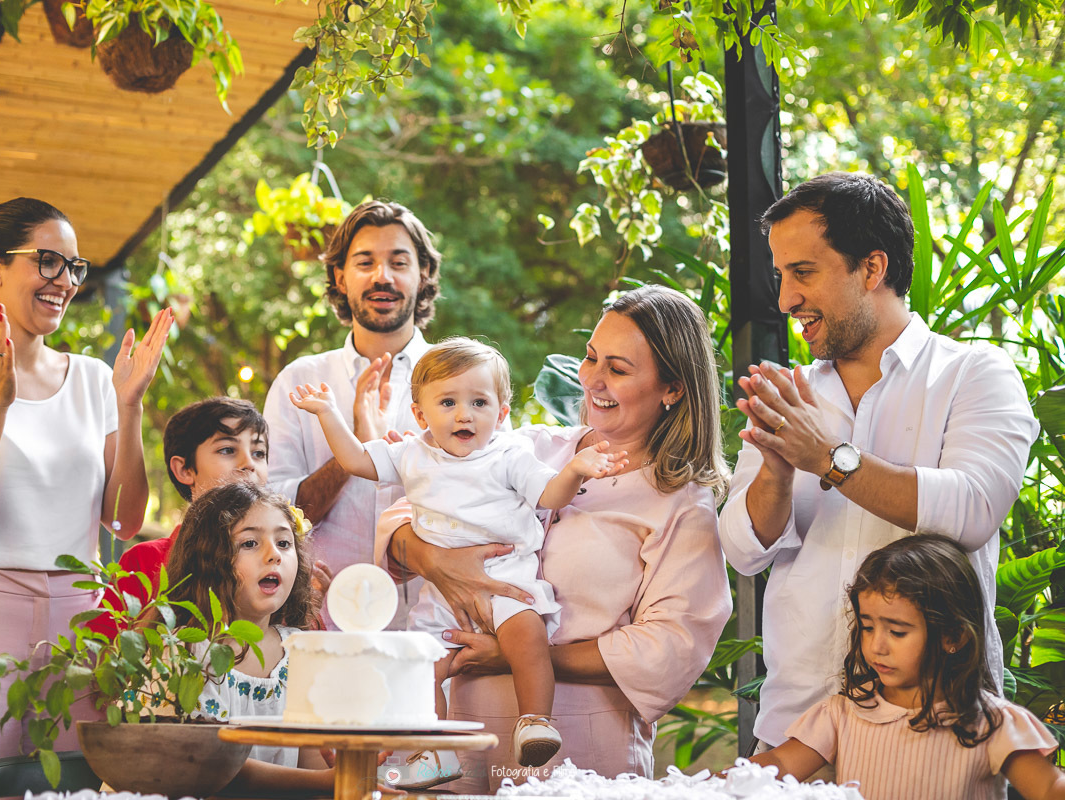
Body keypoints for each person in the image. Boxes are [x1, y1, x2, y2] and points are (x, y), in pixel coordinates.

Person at [717, 172, 1039, 751]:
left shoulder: (976, 375)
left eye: (803, 273)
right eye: (781, 275)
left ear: (872, 268)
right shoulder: (789, 394)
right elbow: (743, 551)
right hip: (793, 726)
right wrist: (777, 470)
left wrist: (827, 457)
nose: (786, 299)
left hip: (939, 732)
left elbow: (970, 511)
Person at [376, 285, 733, 790]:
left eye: (619, 368)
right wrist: (432, 558)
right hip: (464, 728)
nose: (592, 380)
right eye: (591, 357)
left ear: (672, 387)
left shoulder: (680, 501)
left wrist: (524, 654)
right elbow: (403, 512)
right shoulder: (529, 446)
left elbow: (673, 642)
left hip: (586, 740)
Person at [0, 197, 172, 800]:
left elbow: (125, 521)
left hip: (80, 623)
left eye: (75, 267)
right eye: (48, 261)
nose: (65, 281)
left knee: (81, 792)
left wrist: (130, 408)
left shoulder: (97, 380)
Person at [290, 337, 628, 769]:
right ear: (420, 414)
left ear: (502, 413)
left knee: (527, 640)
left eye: (479, 402)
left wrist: (576, 470)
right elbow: (356, 460)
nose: (464, 413)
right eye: (447, 402)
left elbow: (550, 494)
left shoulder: (509, 455)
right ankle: (431, 749)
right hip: (442, 598)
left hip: (507, 583)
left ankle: (535, 722)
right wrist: (329, 413)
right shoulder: (412, 454)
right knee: (422, 667)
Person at [750, 534, 1063, 800]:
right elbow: (780, 761)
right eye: (867, 627)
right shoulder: (843, 714)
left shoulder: (991, 723)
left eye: (897, 631)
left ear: (953, 636)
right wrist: (711, 784)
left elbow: (1049, 789)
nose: (876, 646)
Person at [262, 199, 444, 625]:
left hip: (435, 629)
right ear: (341, 277)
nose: (383, 276)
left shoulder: (468, 381)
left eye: (399, 262)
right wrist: (355, 448)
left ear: (423, 274)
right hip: (321, 626)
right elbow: (277, 517)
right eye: (365, 262)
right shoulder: (298, 381)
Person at [164, 481, 333, 793]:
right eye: (250, 543)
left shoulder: (301, 653)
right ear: (206, 558)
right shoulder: (184, 652)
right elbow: (208, 763)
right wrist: (326, 782)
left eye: (284, 543)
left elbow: (316, 767)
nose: (274, 555)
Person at [87, 396, 293, 639]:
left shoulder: (281, 560)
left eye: (259, 452)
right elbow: (103, 658)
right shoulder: (145, 562)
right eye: (227, 450)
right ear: (184, 470)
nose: (249, 463)